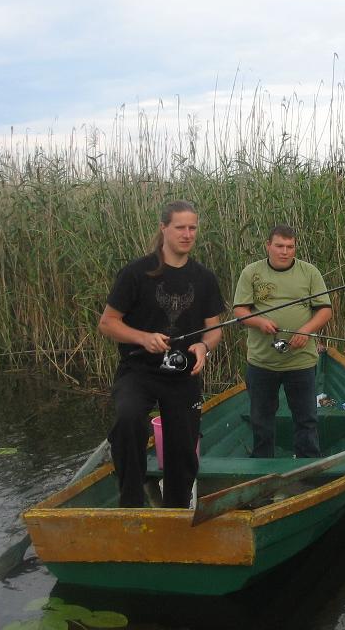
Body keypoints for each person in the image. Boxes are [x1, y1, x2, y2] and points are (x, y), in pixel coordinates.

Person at [97, 200, 225, 507]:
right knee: (129, 419)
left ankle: (177, 509)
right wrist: (143, 338)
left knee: (183, 447)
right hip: (138, 370)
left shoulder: (204, 278)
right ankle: (130, 503)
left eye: (192, 227)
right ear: (163, 228)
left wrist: (203, 347)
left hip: (183, 373)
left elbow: (215, 329)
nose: (187, 234)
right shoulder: (136, 273)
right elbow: (108, 323)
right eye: (180, 227)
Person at [232, 225, 332, 458]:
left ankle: (308, 467)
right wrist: (259, 322)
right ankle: (262, 466)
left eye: (290, 247)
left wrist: (306, 331)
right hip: (261, 362)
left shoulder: (309, 272)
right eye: (279, 246)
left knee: (306, 419)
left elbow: (325, 311)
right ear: (268, 246)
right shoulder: (251, 272)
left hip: (301, 361)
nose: (284, 251)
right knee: (261, 419)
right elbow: (240, 310)